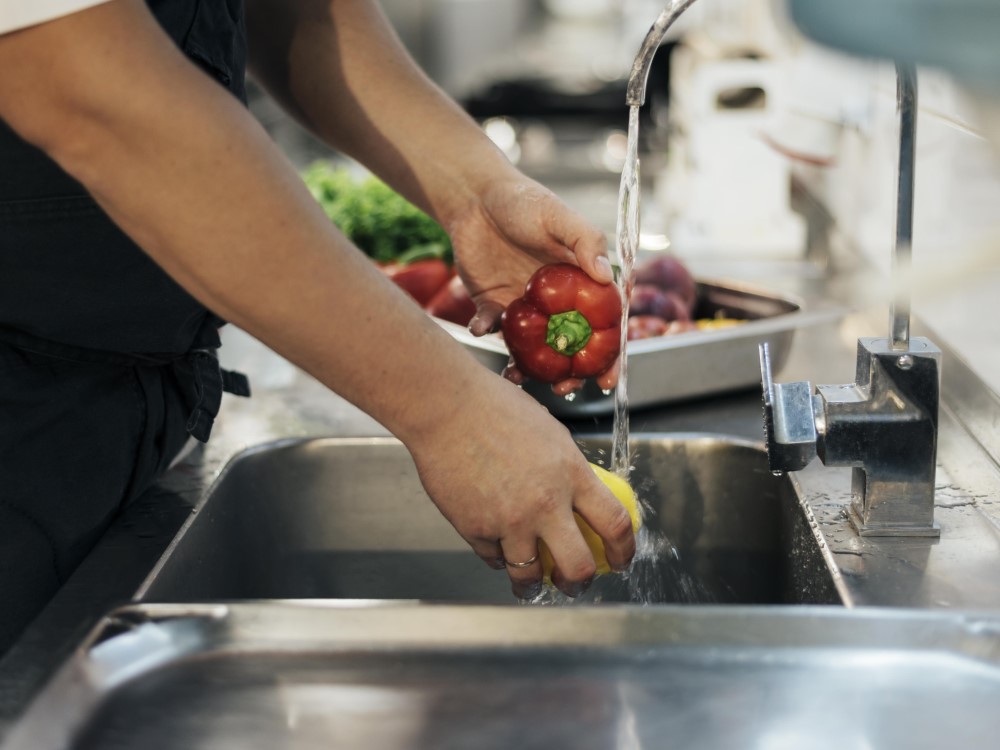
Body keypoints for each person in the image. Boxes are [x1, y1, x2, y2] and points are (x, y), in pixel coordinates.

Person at [0, 0, 636, 655]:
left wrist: (475, 192)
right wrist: (450, 410)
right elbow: (92, 90)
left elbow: (292, 10)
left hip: (117, 409)